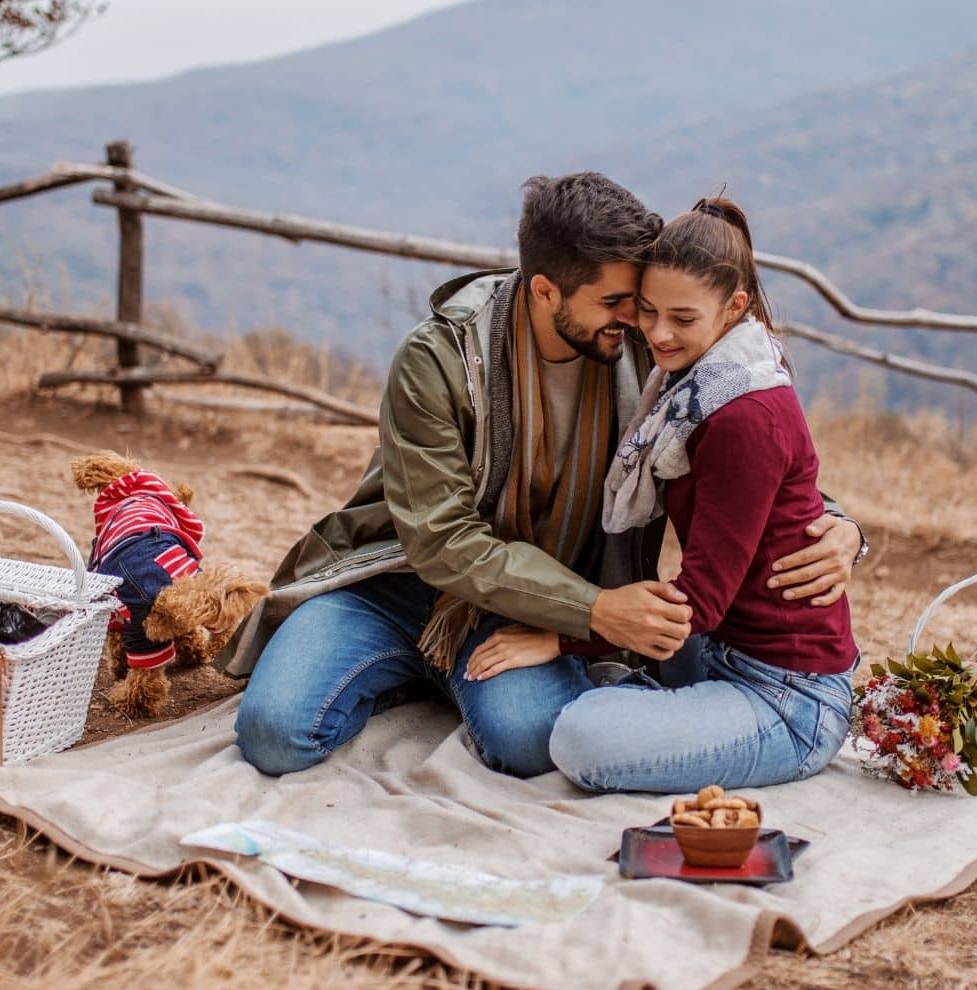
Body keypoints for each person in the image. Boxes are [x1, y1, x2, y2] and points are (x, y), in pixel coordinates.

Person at [221, 175, 865, 779]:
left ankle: (456, 678)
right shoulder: (438, 360)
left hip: (526, 602)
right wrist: (595, 612)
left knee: (532, 742)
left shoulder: (648, 345)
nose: (637, 320)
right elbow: (442, 541)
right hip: (397, 586)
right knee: (276, 735)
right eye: (615, 303)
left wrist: (838, 524)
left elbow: (749, 448)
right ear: (545, 290)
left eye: (637, 301)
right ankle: (411, 668)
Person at [464, 197, 861, 793]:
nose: (657, 333)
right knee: (573, 718)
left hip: (786, 695)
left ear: (734, 308)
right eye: (647, 311)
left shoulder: (741, 411)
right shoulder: (694, 385)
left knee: (579, 739)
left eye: (681, 317)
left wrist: (560, 635)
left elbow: (698, 603)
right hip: (715, 651)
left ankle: (659, 712)